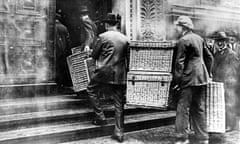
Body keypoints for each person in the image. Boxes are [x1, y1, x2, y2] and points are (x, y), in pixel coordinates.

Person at [86, 13, 129, 143]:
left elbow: (94, 55)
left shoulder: (102, 37)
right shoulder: (125, 39)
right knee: (119, 103)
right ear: (116, 24)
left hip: (103, 73)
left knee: (91, 89)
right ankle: (119, 132)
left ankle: (100, 117)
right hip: (119, 75)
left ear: (106, 24)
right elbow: (128, 58)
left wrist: (90, 52)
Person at [173, 16, 213, 144]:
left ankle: (182, 138)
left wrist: (177, 81)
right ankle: (203, 137)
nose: (176, 29)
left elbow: (179, 63)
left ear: (183, 27)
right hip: (201, 78)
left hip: (188, 78)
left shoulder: (183, 40)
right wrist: (208, 73)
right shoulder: (199, 38)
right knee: (198, 107)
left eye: (177, 26)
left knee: (182, 108)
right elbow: (209, 57)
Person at [212, 31, 240, 132]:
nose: (220, 43)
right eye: (218, 41)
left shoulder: (231, 54)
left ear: (226, 42)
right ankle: (224, 124)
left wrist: (230, 81)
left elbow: (235, 70)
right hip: (219, 82)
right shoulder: (217, 53)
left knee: (230, 103)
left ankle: (230, 125)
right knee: (222, 103)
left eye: (222, 41)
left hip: (229, 82)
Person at [55, 11, 72, 87]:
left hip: (55, 51)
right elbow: (68, 41)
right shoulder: (64, 27)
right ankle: (62, 83)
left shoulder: (52, 27)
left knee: (55, 67)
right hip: (63, 51)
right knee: (62, 67)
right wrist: (68, 50)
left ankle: (57, 83)